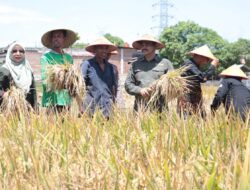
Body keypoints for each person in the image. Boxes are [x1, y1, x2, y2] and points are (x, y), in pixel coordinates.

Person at [124, 34, 174, 112]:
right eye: (142, 45)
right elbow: (128, 84)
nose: (144, 47)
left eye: (147, 44)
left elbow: (174, 84)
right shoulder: (136, 64)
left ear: (154, 46)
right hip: (140, 109)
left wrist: (159, 88)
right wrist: (140, 90)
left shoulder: (165, 63)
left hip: (160, 108)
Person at [40, 28, 77, 113]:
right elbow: (45, 80)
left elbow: (72, 78)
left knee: (66, 125)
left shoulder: (68, 58)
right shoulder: (46, 57)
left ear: (64, 39)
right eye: (54, 36)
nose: (56, 38)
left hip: (66, 100)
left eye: (59, 36)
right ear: (51, 39)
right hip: (52, 100)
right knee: (51, 125)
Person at [177, 45, 219, 118]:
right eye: (207, 60)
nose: (207, 62)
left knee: (201, 120)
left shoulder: (195, 66)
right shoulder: (188, 64)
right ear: (201, 56)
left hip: (195, 100)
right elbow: (203, 78)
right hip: (186, 100)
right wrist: (212, 66)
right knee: (187, 123)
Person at [81, 37, 118, 118]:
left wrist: (114, 104)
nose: (104, 50)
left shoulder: (111, 67)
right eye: (101, 48)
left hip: (107, 107)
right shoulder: (87, 64)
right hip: (91, 107)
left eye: (106, 48)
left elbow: (114, 88)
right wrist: (81, 105)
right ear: (94, 50)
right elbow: (80, 85)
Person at [0, 42, 37, 110]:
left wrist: (35, 110)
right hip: (8, 111)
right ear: (9, 53)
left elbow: (33, 92)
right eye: (14, 51)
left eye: (21, 51)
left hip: (27, 110)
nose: (18, 53)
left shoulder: (28, 71)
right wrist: (7, 95)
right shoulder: (4, 70)